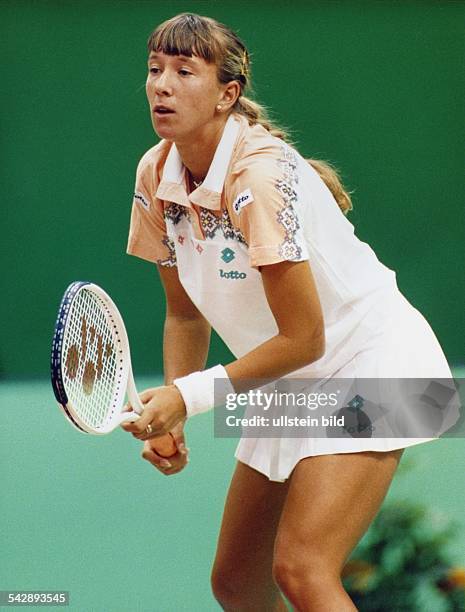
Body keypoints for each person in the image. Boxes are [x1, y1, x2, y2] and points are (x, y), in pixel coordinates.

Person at [122, 12, 454, 611]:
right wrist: (173, 415)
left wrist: (190, 396)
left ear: (229, 95)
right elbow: (186, 316)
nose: (161, 85)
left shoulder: (261, 175)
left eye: (184, 71)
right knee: (238, 585)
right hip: (293, 380)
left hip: (379, 362)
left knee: (303, 569)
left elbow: (305, 338)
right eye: (154, 70)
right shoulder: (155, 175)